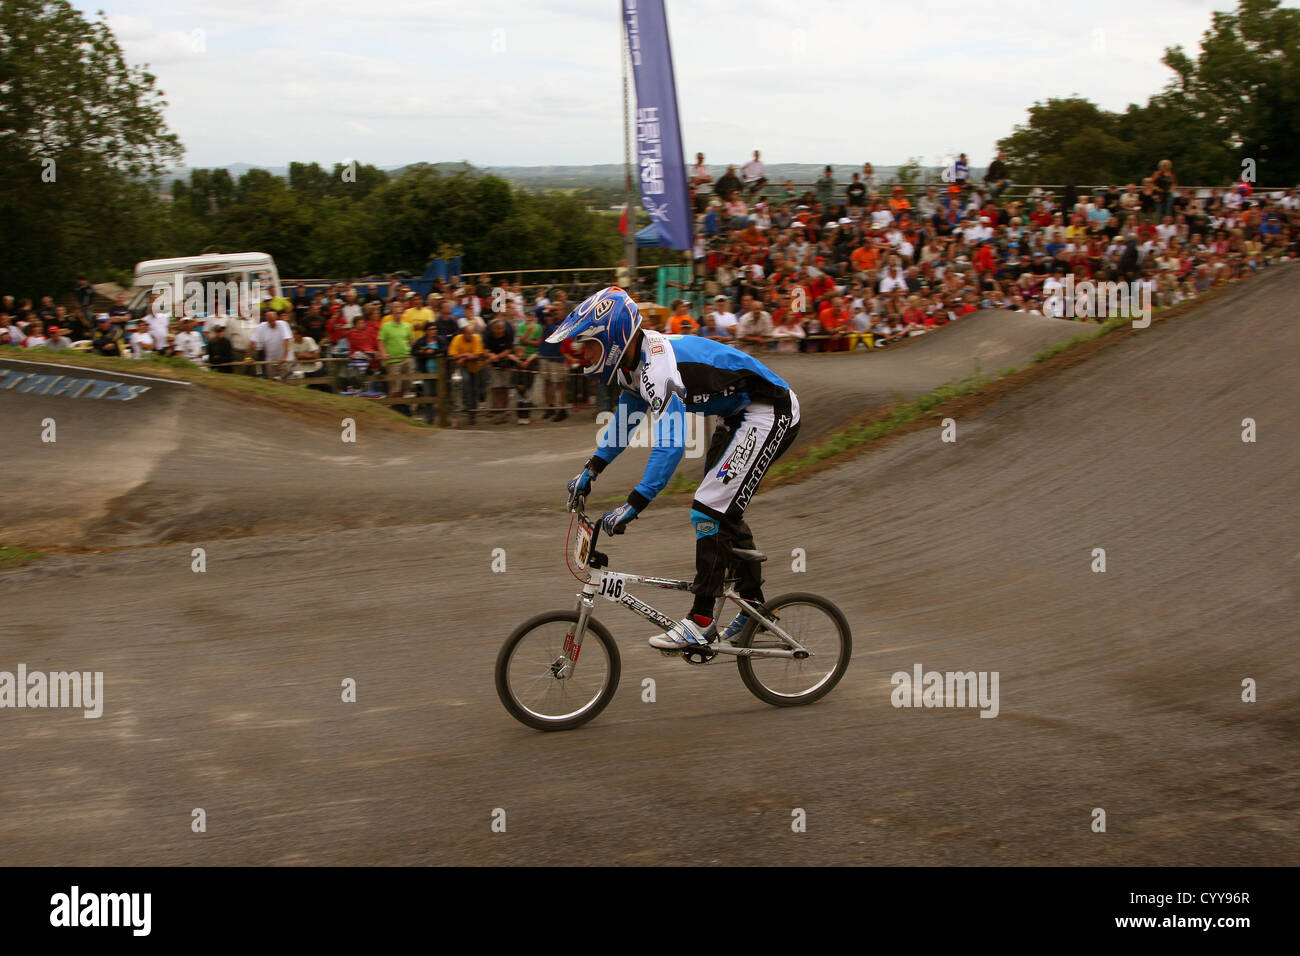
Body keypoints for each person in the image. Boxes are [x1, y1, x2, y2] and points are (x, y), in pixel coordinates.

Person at [552, 286, 801, 649]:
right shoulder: (631, 365)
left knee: (710, 506)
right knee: (720, 506)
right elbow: (626, 421)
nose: (583, 353)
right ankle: (753, 604)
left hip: (769, 411)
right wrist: (592, 468)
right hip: (736, 415)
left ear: (613, 338)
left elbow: (671, 442)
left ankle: (701, 621)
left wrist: (635, 503)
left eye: (588, 343)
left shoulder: (656, 366)